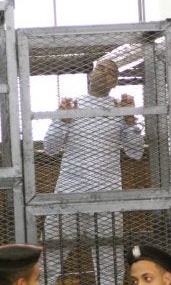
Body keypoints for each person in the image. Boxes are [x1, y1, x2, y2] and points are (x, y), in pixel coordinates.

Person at [42, 59, 144, 284]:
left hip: (107, 197)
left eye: (111, 72)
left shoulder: (121, 108)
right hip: (69, 195)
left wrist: (130, 121)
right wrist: (63, 121)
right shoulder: (71, 105)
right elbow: (49, 148)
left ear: (115, 82)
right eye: (101, 68)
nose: (104, 74)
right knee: (50, 256)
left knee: (111, 263)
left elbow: (135, 153)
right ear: (91, 73)